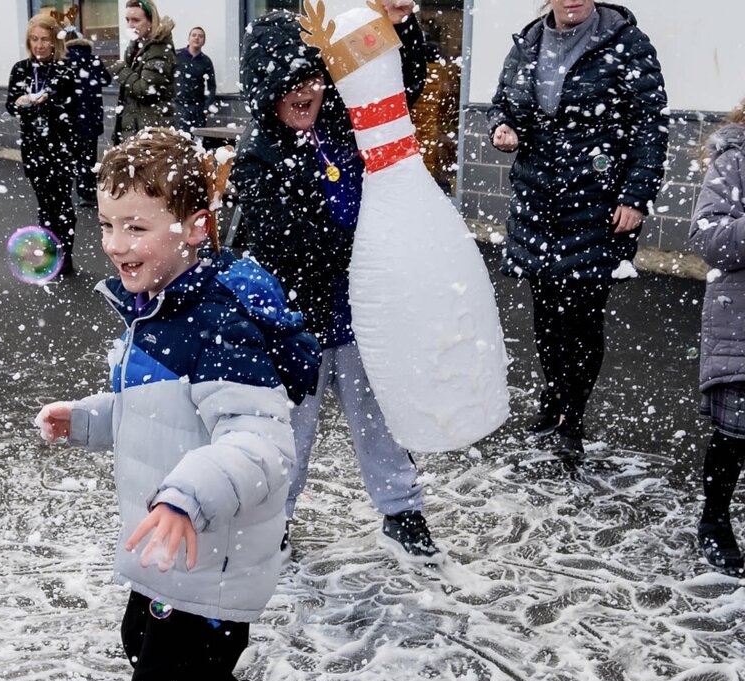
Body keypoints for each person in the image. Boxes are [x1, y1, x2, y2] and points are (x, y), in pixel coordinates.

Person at [37, 128, 318, 681]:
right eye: (106, 223)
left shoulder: (217, 321)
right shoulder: (162, 306)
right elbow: (160, 413)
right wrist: (93, 417)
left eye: (137, 225)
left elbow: (263, 446)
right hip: (182, 552)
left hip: (212, 553)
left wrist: (187, 498)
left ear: (193, 227)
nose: (116, 243)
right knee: (147, 642)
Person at [232, 3, 444, 565]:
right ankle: (272, 522)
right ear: (263, 91)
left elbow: (404, 74)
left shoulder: (340, 125)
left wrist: (400, 26)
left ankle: (402, 510)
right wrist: (359, 249)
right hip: (295, 323)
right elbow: (284, 243)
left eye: (311, 79)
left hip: (359, 314)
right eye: (288, 84)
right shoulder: (258, 159)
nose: (304, 94)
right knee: (290, 432)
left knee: (378, 418)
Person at [489, 0, 667, 458]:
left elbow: (650, 125)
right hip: (538, 201)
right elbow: (503, 104)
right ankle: (554, 395)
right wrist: (503, 127)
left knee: (583, 316)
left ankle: (574, 414)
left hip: (597, 203)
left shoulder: (625, 43)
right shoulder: (527, 44)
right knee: (547, 314)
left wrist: (635, 195)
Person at [689, 99, 745, 573]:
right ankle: (714, 518)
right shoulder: (734, 161)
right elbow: (709, 239)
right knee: (735, 436)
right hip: (741, 320)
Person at [8, 13, 79, 277]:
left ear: (54, 42)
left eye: (44, 40)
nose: (39, 45)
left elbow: (68, 100)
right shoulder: (21, 69)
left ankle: (66, 253)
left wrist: (48, 99)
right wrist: (21, 102)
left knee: (62, 203)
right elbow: (11, 102)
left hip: (60, 147)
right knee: (44, 204)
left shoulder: (64, 69)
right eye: (34, 40)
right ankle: (50, 255)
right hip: (34, 148)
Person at [111, 0, 175, 144]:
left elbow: (146, 90)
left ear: (151, 22)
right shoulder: (135, 47)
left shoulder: (159, 49)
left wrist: (121, 69)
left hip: (151, 133)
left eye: (136, 20)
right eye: (127, 20)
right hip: (137, 130)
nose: (129, 25)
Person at [63, 28, 112, 208]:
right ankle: (89, 191)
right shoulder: (94, 60)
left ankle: (80, 190)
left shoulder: (66, 61)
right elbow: (106, 80)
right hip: (91, 115)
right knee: (89, 156)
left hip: (72, 116)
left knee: (74, 155)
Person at [174, 26, 215, 132]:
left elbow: (212, 86)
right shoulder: (176, 56)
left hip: (198, 108)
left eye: (200, 36)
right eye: (194, 35)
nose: (197, 38)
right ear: (189, 39)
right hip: (179, 105)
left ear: (204, 41)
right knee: (181, 139)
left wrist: (206, 107)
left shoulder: (206, 61)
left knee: (198, 140)